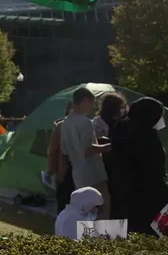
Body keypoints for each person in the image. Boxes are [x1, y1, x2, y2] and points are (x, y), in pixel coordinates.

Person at [110, 97, 168, 234]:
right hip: (147, 196)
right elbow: (154, 170)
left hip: (122, 192)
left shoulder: (121, 128)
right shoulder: (147, 137)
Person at [60, 88, 111, 219]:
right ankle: (103, 238)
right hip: (93, 173)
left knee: (85, 211)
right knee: (102, 209)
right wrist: (108, 146)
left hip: (77, 174)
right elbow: (88, 150)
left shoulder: (65, 122)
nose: (92, 107)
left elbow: (65, 150)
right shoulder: (85, 122)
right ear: (85, 101)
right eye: (92, 103)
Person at [48, 102, 75, 212]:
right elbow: (53, 150)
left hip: (78, 168)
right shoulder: (60, 126)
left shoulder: (87, 123)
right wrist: (51, 169)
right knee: (64, 198)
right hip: (65, 167)